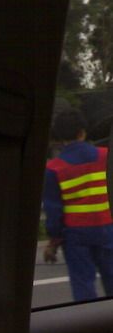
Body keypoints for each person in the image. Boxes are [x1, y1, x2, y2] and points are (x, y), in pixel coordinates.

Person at [43, 108, 113, 301]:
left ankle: (89, 320)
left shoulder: (54, 169)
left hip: (76, 237)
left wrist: (53, 241)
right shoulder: (106, 156)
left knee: (83, 286)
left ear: (58, 136)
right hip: (108, 230)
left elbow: (54, 212)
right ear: (82, 132)